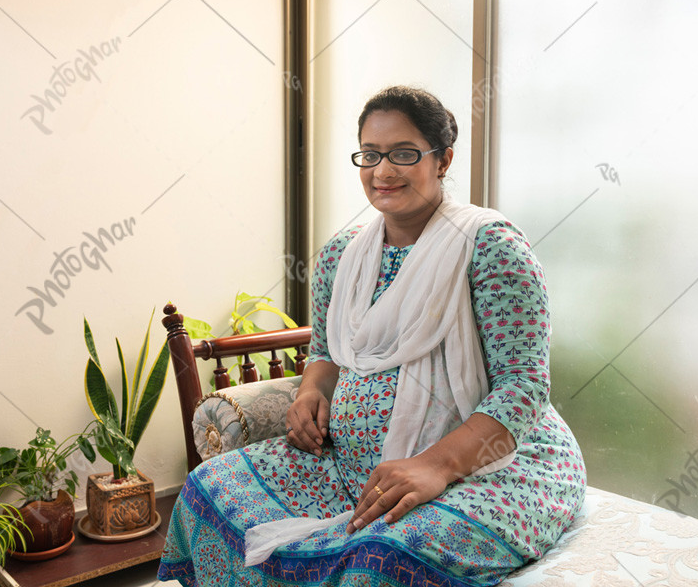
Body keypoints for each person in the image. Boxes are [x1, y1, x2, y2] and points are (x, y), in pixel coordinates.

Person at [158, 86, 586, 587]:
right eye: (371, 155)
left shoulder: (490, 249)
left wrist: (433, 466)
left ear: (443, 159)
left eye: (404, 154)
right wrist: (312, 390)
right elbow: (325, 350)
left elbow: (524, 387)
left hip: (486, 469)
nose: (383, 172)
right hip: (348, 464)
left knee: (381, 562)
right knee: (207, 490)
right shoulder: (342, 255)